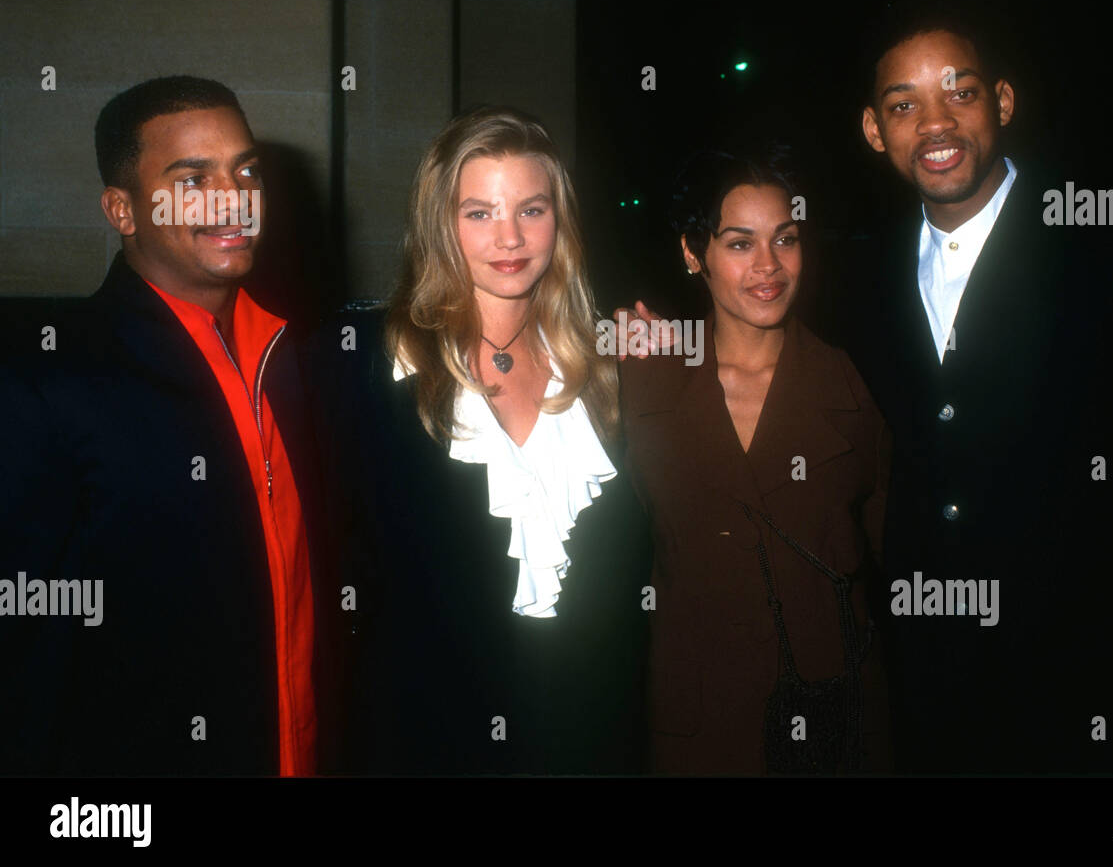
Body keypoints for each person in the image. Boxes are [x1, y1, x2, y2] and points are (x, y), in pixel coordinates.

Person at [0, 76, 345, 775]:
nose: (233, 198)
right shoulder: (50, 381)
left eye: (245, 171)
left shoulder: (303, 361)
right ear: (122, 210)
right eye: (192, 179)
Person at [843, 8, 1113, 774]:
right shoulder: (855, 279)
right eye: (904, 104)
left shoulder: (1108, 249)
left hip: (1080, 700)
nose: (936, 123)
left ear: (1003, 103)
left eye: (961, 92)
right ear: (875, 130)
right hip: (926, 702)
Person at [310, 106, 651, 775]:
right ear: (442, 224)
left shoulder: (611, 373)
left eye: (531, 209)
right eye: (479, 213)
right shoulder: (365, 368)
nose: (510, 237)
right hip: (426, 742)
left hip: (584, 737)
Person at [618, 145, 892, 775]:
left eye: (786, 239)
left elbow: (895, 543)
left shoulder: (857, 384)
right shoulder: (644, 377)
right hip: (696, 727)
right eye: (739, 243)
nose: (769, 266)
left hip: (834, 724)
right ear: (694, 254)